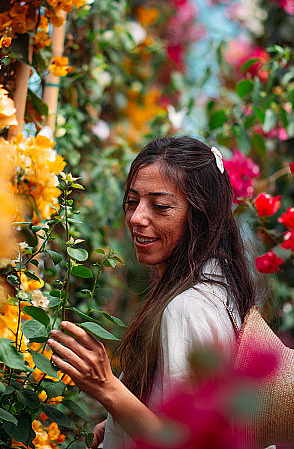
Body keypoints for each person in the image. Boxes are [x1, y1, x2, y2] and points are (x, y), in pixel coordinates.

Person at [47, 136, 256, 449]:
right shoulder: (217, 285)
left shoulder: (187, 308)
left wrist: (106, 388)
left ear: (201, 215)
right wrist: (116, 423)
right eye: (133, 202)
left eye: (160, 206)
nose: (137, 218)